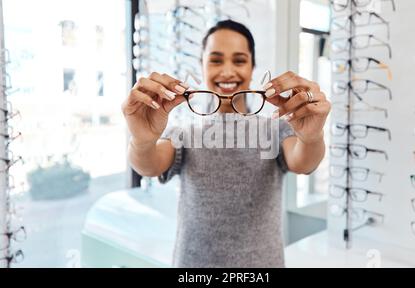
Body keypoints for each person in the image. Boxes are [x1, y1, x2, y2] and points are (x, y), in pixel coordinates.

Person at [122, 20, 330, 267]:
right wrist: (142, 141)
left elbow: (303, 162)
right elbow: (149, 165)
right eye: (216, 60)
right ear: (202, 66)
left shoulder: (275, 129)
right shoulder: (186, 134)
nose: (228, 71)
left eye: (239, 60)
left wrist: (312, 137)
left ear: (253, 68)